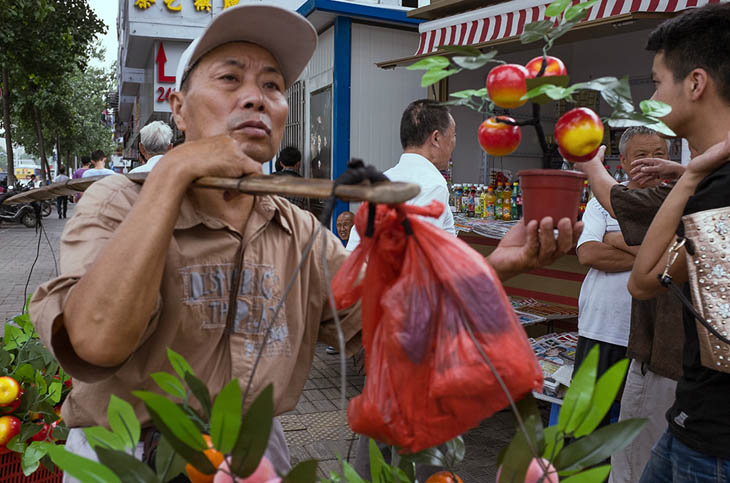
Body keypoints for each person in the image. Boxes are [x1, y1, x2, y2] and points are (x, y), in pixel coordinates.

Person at [29, 6, 582, 479]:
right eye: (230, 79)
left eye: (272, 85)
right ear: (177, 106)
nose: (256, 98)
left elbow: (385, 309)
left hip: (256, 458)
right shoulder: (120, 203)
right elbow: (97, 342)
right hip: (133, 458)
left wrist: (497, 266)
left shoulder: (297, 232)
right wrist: (173, 177)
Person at [596, 4, 730, 480]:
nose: (652, 96)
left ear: (695, 83)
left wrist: (691, 175)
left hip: (715, 439)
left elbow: (645, 279)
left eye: (656, 82)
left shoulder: (718, 189)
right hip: (692, 423)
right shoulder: (711, 179)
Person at [346, 99, 456, 252]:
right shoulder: (433, 184)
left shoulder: (384, 180)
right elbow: (417, 257)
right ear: (436, 138)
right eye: (452, 137)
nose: (453, 145)